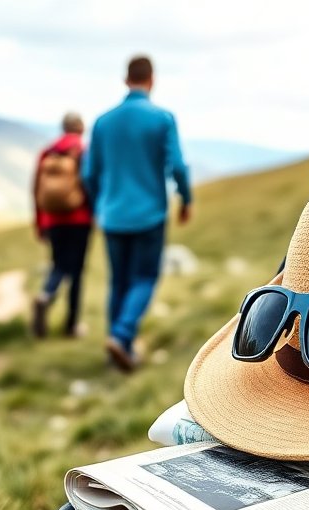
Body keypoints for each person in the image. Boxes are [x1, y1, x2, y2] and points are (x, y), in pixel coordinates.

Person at [82, 54, 192, 372]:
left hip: (112, 215)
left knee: (118, 281)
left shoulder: (103, 122)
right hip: (149, 215)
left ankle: (117, 349)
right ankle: (121, 335)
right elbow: (178, 167)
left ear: (125, 79)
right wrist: (185, 199)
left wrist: (100, 204)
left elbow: (89, 174)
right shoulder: (162, 118)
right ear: (152, 80)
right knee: (144, 277)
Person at [32, 112, 94, 339]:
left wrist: (39, 222)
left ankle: (46, 294)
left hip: (53, 219)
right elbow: (90, 182)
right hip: (80, 219)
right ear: (80, 128)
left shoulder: (47, 152)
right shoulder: (83, 151)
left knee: (58, 264)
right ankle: (71, 326)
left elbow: (36, 188)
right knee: (77, 272)